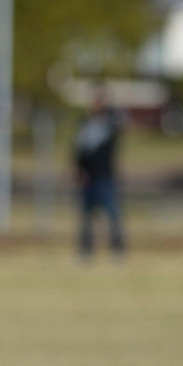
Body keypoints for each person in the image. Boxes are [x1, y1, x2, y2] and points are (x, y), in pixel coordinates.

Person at [74, 91, 125, 258]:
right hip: (88, 178)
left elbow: (110, 148)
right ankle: (86, 249)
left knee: (112, 214)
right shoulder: (85, 126)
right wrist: (79, 169)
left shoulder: (109, 125)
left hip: (105, 176)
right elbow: (79, 151)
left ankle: (117, 249)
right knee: (87, 215)